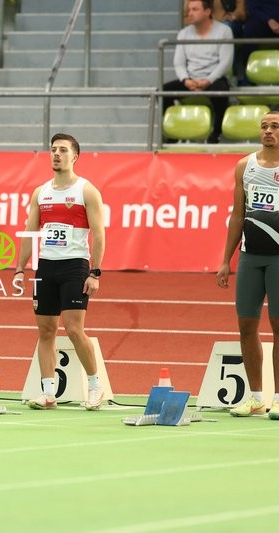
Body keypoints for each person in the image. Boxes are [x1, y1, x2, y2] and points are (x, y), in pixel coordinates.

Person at [14, 133, 106, 411]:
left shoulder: (86, 191)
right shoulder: (40, 193)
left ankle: (95, 387)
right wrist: (19, 269)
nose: (56, 154)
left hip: (74, 266)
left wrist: (95, 273)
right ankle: (48, 393)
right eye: (53, 149)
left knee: (74, 329)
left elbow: (99, 234)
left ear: (75, 157)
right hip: (46, 266)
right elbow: (30, 232)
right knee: (45, 331)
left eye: (63, 150)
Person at [216, 109, 279, 419]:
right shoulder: (245, 166)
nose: (268, 131)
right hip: (250, 257)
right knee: (246, 327)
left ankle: (278, 398)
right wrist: (225, 260)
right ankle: (255, 398)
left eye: (275, 127)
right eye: (264, 126)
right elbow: (237, 215)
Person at [163, 0, 233, 144]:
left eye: (195, 9)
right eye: (189, 10)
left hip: (214, 78)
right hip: (191, 79)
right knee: (163, 91)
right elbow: (179, 63)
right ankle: (172, 136)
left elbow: (225, 63)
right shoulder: (183, 34)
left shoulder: (224, 31)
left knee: (221, 91)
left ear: (207, 12)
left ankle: (216, 135)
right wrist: (186, 80)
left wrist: (208, 80)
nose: (189, 13)